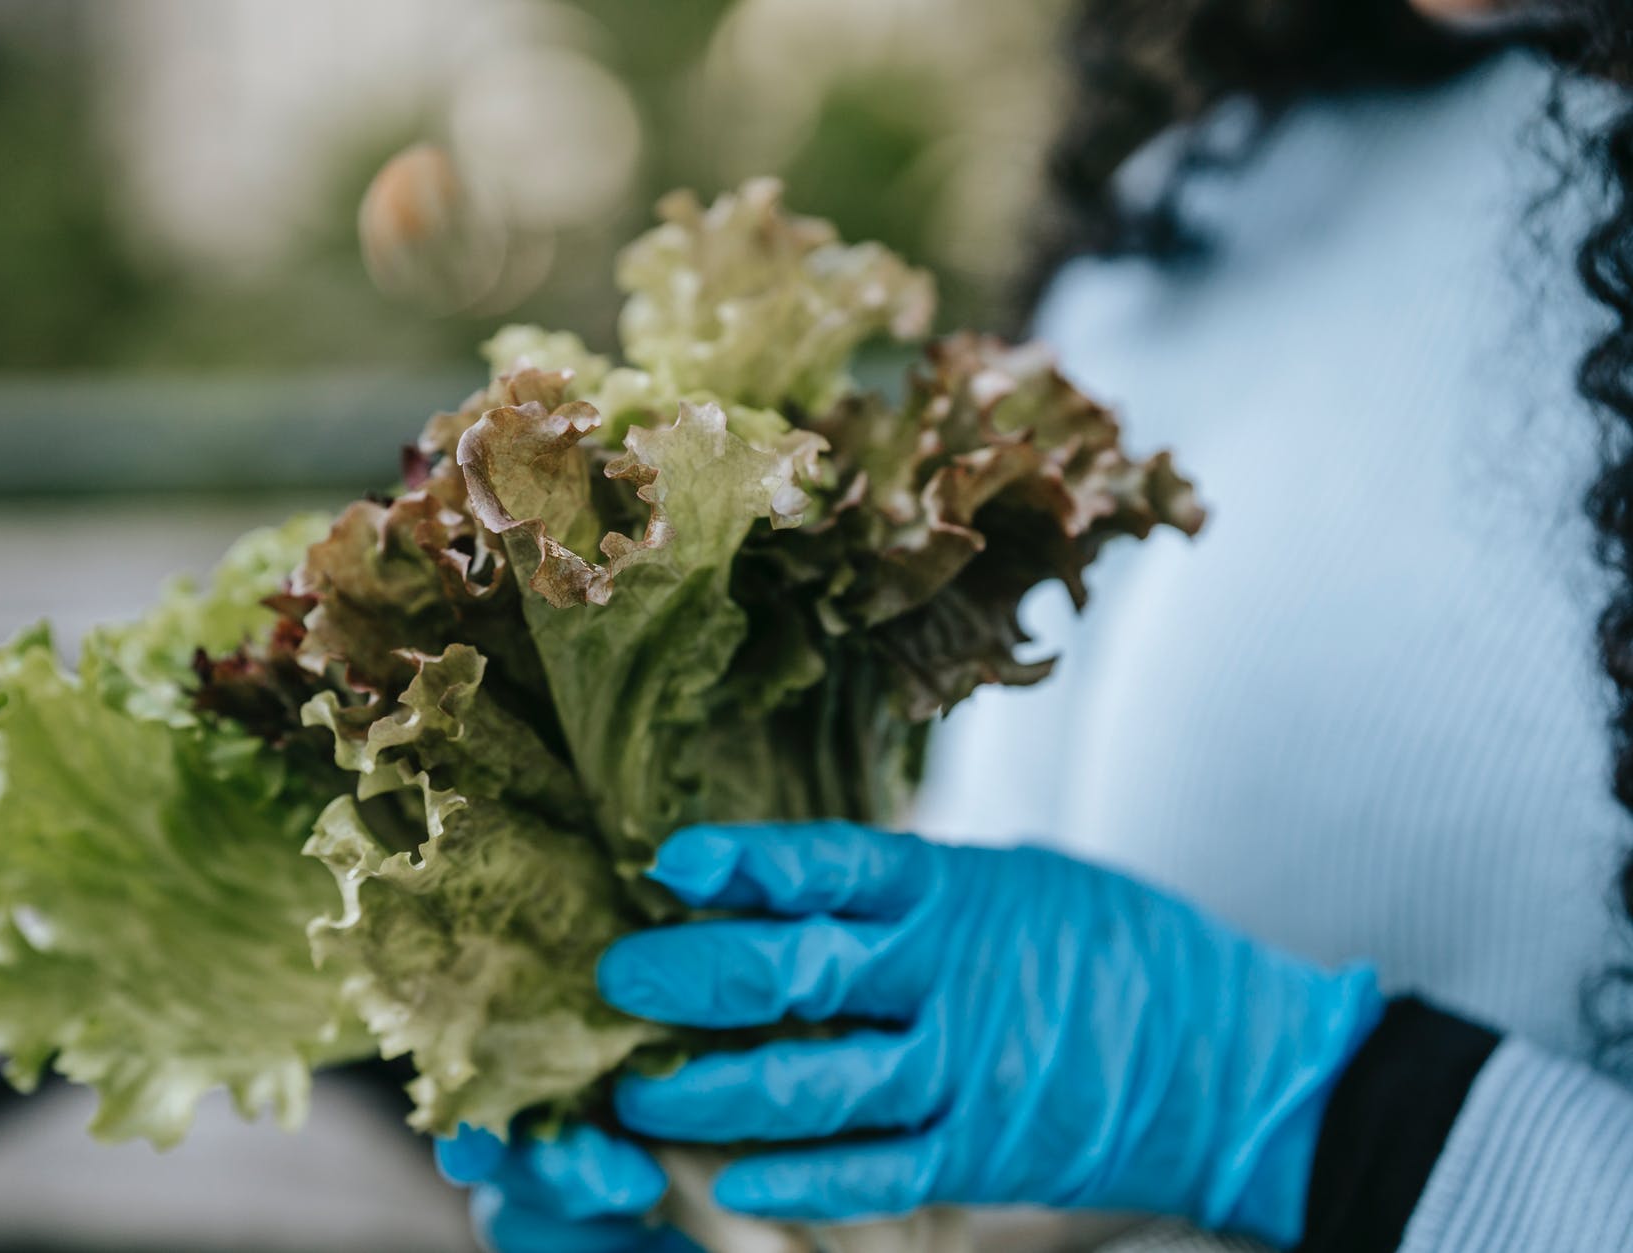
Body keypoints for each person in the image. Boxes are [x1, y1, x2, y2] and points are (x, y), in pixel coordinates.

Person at [436, 1, 1633, 1249]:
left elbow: (1146, 1078)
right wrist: (758, 1191)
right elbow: (1009, 1060)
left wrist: (1302, 1116)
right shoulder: (1207, 199)